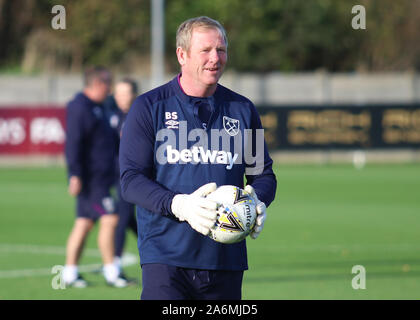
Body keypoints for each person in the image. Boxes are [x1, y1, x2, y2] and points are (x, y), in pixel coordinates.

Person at [119, 16, 277, 300]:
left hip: (226, 259)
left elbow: (262, 174)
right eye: (206, 50)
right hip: (166, 257)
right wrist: (178, 205)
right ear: (182, 55)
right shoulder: (149, 107)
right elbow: (130, 180)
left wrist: (258, 200)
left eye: (221, 49)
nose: (215, 58)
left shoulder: (243, 110)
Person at [63, 66, 128, 288]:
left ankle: (69, 273)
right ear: (98, 84)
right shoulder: (80, 108)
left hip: (102, 178)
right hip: (92, 181)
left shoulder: (100, 107)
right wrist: (74, 174)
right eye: (107, 84)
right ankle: (111, 272)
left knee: (84, 223)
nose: (110, 89)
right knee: (109, 218)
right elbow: (73, 143)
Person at [106, 78, 139, 277]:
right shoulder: (113, 116)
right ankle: (154, 245)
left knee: (123, 217)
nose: (122, 97)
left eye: (126, 93)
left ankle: (115, 263)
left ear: (134, 94)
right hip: (117, 176)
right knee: (126, 218)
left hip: (136, 176)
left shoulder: (140, 115)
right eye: (118, 93)